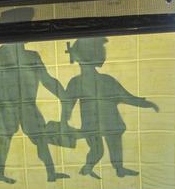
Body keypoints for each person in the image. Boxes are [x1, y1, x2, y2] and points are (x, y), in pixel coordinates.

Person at [0, 7, 69, 184]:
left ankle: (51, 172)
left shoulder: (32, 56)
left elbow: (47, 80)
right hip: (6, 107)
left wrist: (63, 95)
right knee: (5, 141)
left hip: (28, 105)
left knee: (41, 140)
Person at [61, 36, 159, 179]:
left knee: (114, 142)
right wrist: (64, 123)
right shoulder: (76, 83)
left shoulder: (106, 80)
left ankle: (118, 168)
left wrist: (146, 103)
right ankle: (87, 168)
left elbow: (127, 97)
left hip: (110, 121)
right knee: (97, 150)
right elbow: (67, 106)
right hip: (91, 125)